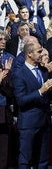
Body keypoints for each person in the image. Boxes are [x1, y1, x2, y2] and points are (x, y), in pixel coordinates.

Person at [12, 39, 52, 169]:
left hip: (44, 120)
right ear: (29, 54)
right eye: (39, 52)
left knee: (43, 159)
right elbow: (21, 100)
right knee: (25, 159)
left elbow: (46, 95)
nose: (42, 54)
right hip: (28, 122)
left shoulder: (43, 71)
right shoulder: (19, 74)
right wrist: (40, 91)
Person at [0, 30, 14, 169]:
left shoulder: (10, 58)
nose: (3, 41)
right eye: (0, 39)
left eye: (5, 39)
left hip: (5, 104)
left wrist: (7, 73)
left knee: (4, 142)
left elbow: (14, 82)